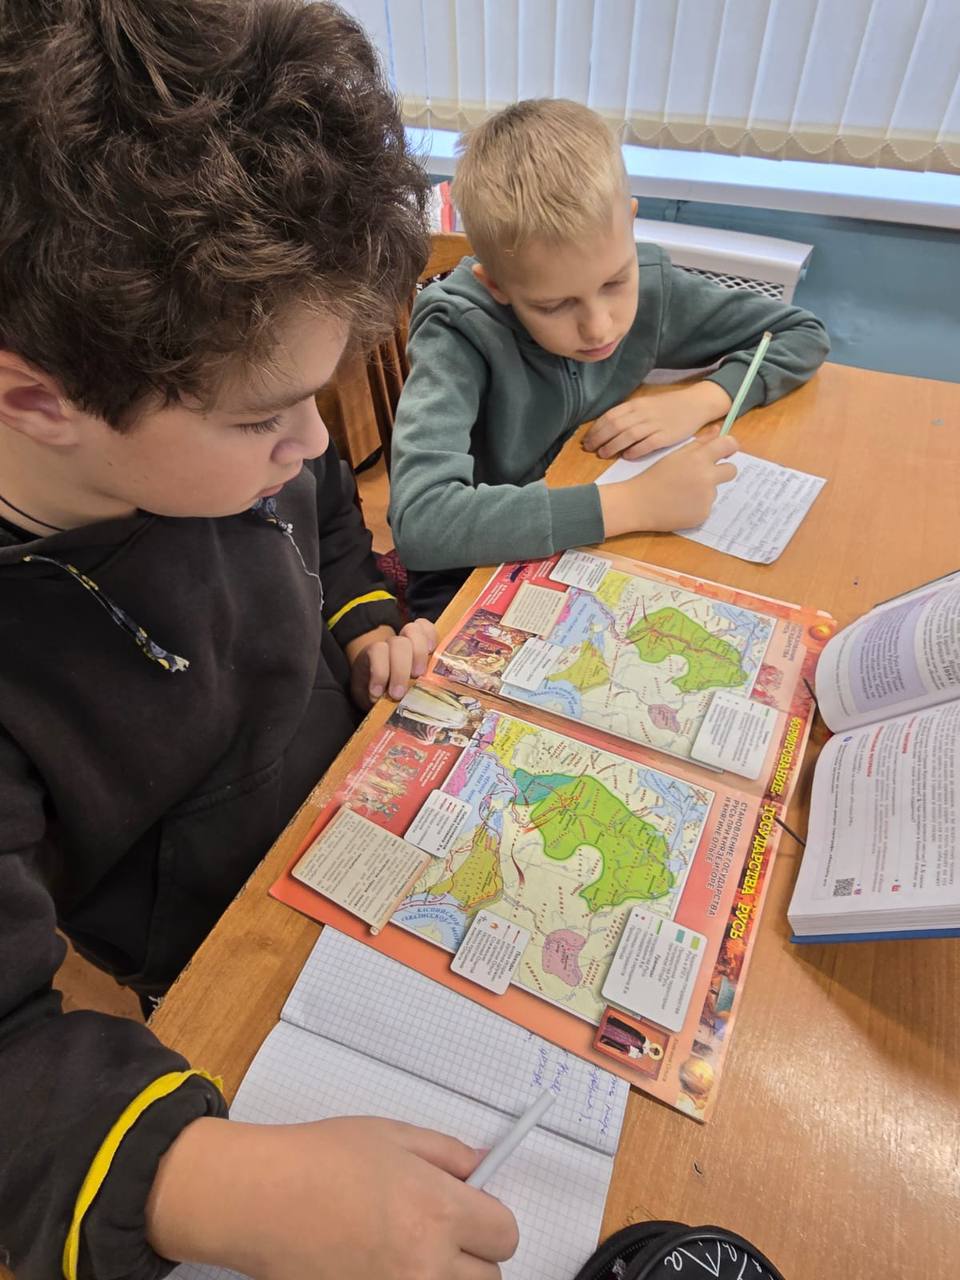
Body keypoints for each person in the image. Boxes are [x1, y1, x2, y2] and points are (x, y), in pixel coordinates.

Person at [0, 3, 518, 1277]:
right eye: (262, 419)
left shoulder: (246, 423)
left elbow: (329, 509)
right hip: (215, 934)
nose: (313, 440)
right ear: (34, 398)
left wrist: (364, 618)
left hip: (352, 802)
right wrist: (213, 1184)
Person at [388, 98, 831, 619]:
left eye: (615, 283)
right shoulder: (456, 332)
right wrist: (636, 504)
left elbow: (800, 332)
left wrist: (701, 400)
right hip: (471, 572)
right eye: (554, 305)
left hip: (590, 542)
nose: (599, 327)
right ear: (497, 286)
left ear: (631, 222)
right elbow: (422, 523)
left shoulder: (654, 289)